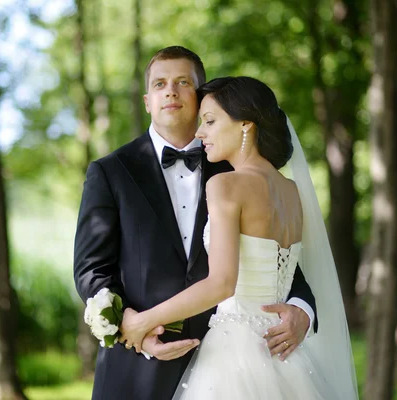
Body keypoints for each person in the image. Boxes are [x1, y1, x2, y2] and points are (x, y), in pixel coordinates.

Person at [73, 46, 317, 400]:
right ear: (147, 101)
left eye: (182, 81)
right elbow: (91, 268)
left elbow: (282, 263)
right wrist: (130, 325)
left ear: (200, 96)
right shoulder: (110, 172)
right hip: (135, 368)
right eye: (159, 84)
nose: (170, 90)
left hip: (232, 365)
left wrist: (302, 311)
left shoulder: (234, 169)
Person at [119, 76, 358, 399]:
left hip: (236, 354)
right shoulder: (291, 192)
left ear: (246, 125)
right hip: (283, 355)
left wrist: (143, 321)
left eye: (210, 121)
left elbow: (221, 284)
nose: (200, 132)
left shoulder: (225, 185)